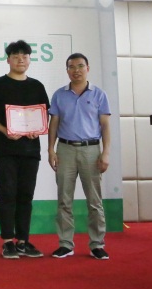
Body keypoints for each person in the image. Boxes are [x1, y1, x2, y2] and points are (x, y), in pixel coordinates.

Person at [0, 40, 49, 259]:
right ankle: (8, 241)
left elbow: (44, 115)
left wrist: (38, 129)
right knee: (7, 194)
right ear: (8, 59)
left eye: (24, 56)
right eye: (16, 56)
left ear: (29, 59)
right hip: (6, 150)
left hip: (31, 150)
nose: (21, 60)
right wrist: (4, 130)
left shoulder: (37, 86)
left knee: (26, 195)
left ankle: (23, 241)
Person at [47, 53, 112, 260]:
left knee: (94, 201)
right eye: (71, 67)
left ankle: (97, 244)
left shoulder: (99, 94)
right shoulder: (59, 95)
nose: (76, 70)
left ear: (88, 68)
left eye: (80, 66)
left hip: (91, 150)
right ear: (67, 70)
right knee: (64, 200)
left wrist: (105, 152)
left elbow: (105, 125)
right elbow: (54, 124)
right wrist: (51, 149)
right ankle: (65, 244)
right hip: (65, 149)